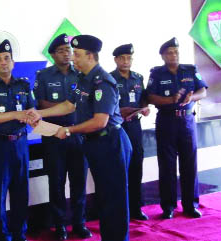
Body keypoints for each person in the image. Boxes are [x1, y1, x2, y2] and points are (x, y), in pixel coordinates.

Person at [27, 35, 131, 241]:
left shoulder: (103, 81)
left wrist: (68, 131)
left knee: (114, 199)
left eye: (77, 54)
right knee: (105, 198)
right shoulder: (84, 79)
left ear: (90, 56)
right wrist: (40, 114)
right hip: (95, 143)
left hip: (110, 142)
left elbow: (100, 121)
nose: (73, 58)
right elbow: (69, 104)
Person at [34, 33, 91, 240]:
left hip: (78, 133)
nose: (66, 54)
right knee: (56, 183)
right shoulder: (44, 76)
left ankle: (79, 223)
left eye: (68, 50)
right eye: (61, 51)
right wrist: (67, 107)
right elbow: (41, 104)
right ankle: (59, 226)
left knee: (79, 182)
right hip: (53, 135)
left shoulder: (82, 74)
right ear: (52, 55)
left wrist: (66, 106)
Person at [0, 39, 35, 241]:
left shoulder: (24, 84)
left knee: (21, 192)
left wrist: (34, 118)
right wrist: (15, 115)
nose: (4, 62)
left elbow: (32, 111)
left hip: (20, 143)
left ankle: (20, 234)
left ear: (13, 62)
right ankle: (2, 235)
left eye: (7, 58)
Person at [146, 37, 207, 219]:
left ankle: (190, 205)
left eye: (176, 52)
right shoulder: (157, 74)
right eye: (170, 52)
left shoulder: (190, 70)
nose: (174, 55)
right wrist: (169, 100)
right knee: (167, 166)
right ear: (163, 56)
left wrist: (192, 97)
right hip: (166, 122)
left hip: (187, 123)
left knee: (189, 165)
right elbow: (149, 97)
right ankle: (168, 207)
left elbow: (203, 91)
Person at [110, 43, 150, 221]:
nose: (126, 61)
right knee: (118, 168)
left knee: (136, 166)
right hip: (116, 128)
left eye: (129, 58)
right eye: (122, 58)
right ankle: (120, 209)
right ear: (116, 60)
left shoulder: (138, 78)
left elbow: (144, 100)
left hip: (134, 126)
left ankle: (136, 207)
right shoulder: (109, 79)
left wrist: (144, 108)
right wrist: (121, 111)